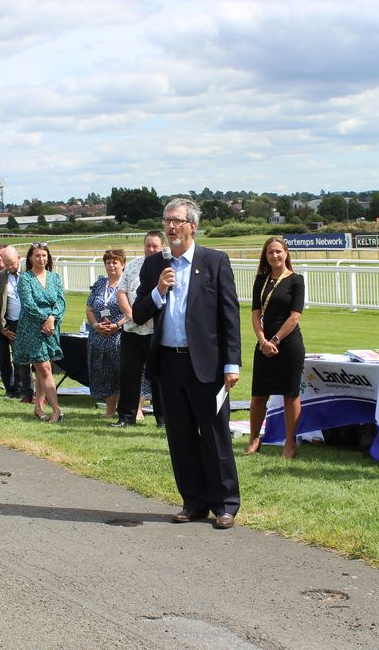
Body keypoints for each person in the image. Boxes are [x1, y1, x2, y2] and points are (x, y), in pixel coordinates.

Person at [132, 198, 242, 529]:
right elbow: (138, 313)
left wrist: (232, 363)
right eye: (166, 221)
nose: (170, 227)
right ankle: (193, 502)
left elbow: (229, 316)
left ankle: (224, 504)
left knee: (214, 435)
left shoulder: (214, 261)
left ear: (192, 226)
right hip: (169, 363)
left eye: (176, 221)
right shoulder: (154, 266)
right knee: (179, 438)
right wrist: (157, 292)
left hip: (206, 365)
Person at [245, 237, 305, 458]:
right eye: (270, 252)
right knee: (259, 394)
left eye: (278, 251)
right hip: (263, 345)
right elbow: (255, 313)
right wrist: (263, 341)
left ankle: (290, 443)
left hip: (288, 346)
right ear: (266, 256)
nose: (275, 256)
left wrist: (275, 341)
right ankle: (254, 438)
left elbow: (295, 317)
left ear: (286, 253)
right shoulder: (261, 280)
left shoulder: (296, 280)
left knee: (290, 395)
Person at [112, 231, 166, 428]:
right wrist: (132, 315)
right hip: (131, 330)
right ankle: (126, 418)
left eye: (155, 246)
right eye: (148, 245)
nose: (151, 249)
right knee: (129, 376)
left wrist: (146, 315)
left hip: (155, 331)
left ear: (162, 247)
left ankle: (163, 420)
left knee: (159, 377)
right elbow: (122, 292)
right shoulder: (133, 265)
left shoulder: (167, 267)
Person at [15, 242, 66, 424]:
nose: (41, 259)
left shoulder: (54, 278)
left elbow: (61, 302)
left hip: (51, 328)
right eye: (37, 255)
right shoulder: (26, 279)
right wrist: (46, 318)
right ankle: (57, 409)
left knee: (42, 369)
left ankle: (38, 407)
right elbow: (29, 305)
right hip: (32, 329)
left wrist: (52, 319)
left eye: (44, 255)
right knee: (44, 368)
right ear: (30, 258)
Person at [85, 249, 126, 417]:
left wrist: (117, 325)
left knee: (123, 374)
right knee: (106, 375)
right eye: (108, 262)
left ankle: (130, 412)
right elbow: (89, 309)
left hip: (120, 337)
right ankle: (110, 411)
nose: (111, 265)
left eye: (115, 262)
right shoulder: (100, 284)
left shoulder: (127, 284)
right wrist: (95, 325)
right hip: (98, 337)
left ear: (123, 264)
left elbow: (132, 311)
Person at [0, 246, 33, 401]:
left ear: (19, 258)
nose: (10, 267)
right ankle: (24, 391)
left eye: (12, 264)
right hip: (13, 324)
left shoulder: (30, 275)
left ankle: (33, 391)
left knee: (34, 360)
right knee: (20, 359)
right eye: (6, 264)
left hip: (30, 323)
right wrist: (2, 327)